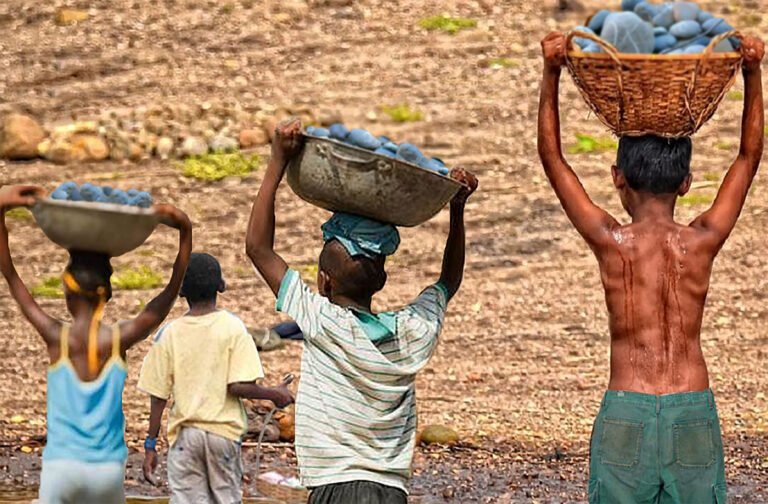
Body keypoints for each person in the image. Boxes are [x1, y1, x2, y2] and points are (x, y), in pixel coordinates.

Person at [537, 32, 764, 504]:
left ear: (618, 178)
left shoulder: (611, 242)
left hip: (628, 408)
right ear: (685, 183)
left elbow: (554, 158)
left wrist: (551, 72)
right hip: (690, 409)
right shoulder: (701, 241)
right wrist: (753, 73)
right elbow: (747, 157)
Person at [245, 119, 478, 504]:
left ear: (323, 282)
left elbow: (258, 248)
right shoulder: (411, 331)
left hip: (336, 485)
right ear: (381, 281)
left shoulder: (322, 321)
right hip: (391, 491)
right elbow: (448, 281)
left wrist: (277, 162)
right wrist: (457, 209)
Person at [0, 184, 192, 504]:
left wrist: (1, 209)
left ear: (66, 290)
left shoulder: (55, 336)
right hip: (106, 471)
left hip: (62, 470)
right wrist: (185, 231)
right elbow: (169, 294)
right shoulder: (119, 339)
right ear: (109, 292)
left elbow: (9, 273)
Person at [138, 252, 294, 503]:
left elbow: (157, 396)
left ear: (181, 292)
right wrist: (275, 393)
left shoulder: (169, 334)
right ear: (221, 285)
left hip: (186, 437)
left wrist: (150, 444)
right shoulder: (233, 328)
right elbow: (238, 386)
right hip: (222, 435)